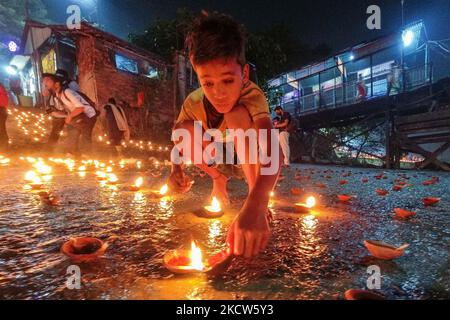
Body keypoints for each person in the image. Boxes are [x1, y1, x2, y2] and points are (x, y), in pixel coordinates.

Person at [168, 13, 282, 259]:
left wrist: (257, 204)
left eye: (228, 80)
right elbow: (178, 141)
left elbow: (275, 152)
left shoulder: (252, 95)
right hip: (217, 159)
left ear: (245, 74)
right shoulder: (194, 102)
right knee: (181, 129)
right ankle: (218, 180)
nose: (218, 93)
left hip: (248, 162)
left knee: (235, 113)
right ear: (197, 76)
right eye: (207, 83)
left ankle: (252, 194)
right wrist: (175, 170)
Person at [42, 73, 97, 158]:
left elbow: (80, 107)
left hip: (89, 114)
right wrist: (54, 113)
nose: (45, 83)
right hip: (77, 115)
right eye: (44, 81)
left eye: (48, 80)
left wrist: (70, 116)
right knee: (72, 132)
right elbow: (63, 111)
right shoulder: (57, 95)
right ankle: (72, 153)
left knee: (85, 135)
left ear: (57, 84)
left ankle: (87, 156)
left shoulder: (67, 92)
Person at [0, 82, 9, 151]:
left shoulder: (1, 89)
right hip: (3, 110)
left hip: (1, 110)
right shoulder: (1, 88)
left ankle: (4, 145)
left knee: (1, 128)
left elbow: (4, 101)